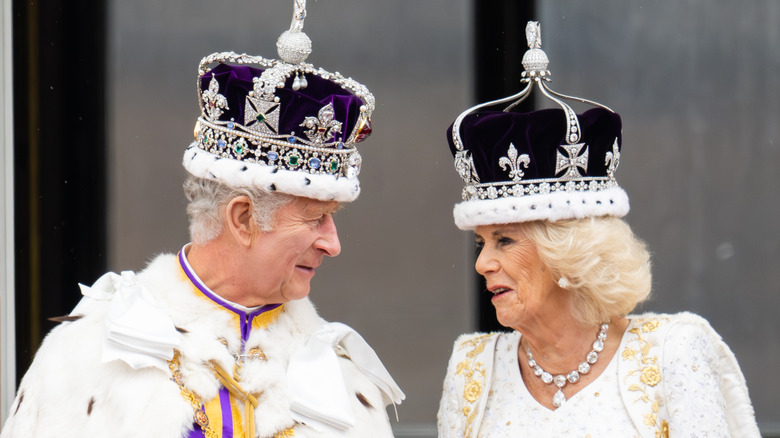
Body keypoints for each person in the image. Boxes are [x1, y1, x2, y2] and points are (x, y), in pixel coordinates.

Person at [1, 2, 403, 437]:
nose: (332, 243)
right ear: (243, 218)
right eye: (314, 219)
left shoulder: (341, 374)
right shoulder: (89, 351)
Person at [437, 21, 759, 438]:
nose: (482, 263)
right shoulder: (471, 368)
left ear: (569, 252)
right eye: (482, 242)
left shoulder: (672, 353)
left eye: (504, 240)